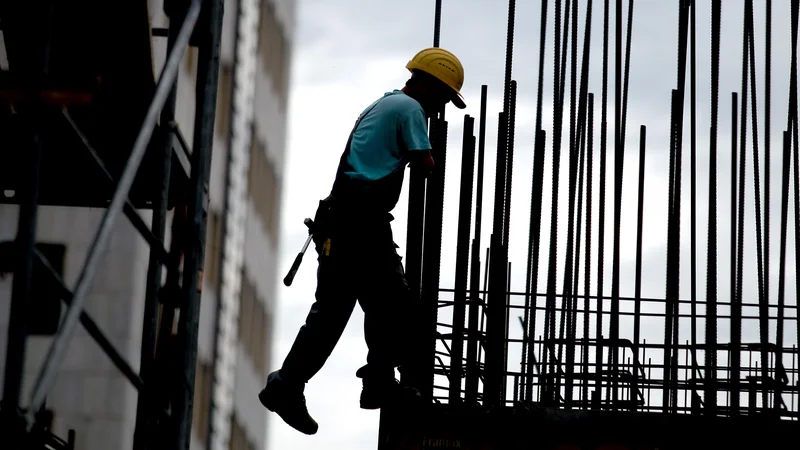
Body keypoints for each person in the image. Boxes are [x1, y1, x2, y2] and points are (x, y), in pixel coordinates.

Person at [258, 47, 466, 435]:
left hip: (343, 223)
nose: (441, 109)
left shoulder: (384, 105)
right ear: (429, 84)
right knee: (395, 303)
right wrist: (423, 152)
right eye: (442, 98)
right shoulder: (409, 110)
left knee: (336, 313)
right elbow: (425, 166)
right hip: (360, 225)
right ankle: (378, 382)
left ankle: (289, 385)